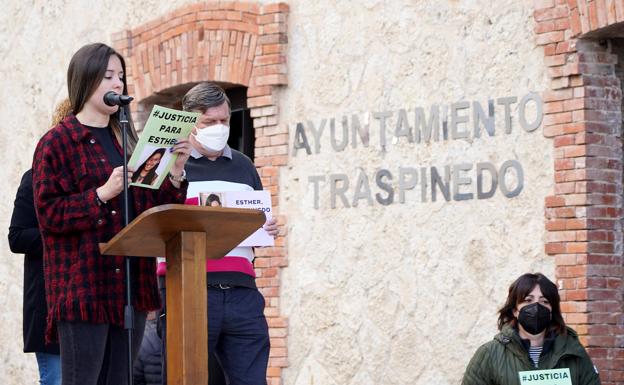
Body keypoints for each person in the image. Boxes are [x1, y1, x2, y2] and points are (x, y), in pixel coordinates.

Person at [32, 42, 191, 385]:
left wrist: (176, 170)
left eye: (120, 77)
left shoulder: (128, 141)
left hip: (130, 287)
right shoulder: (58, 142)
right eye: (107, 76)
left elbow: (150, 206)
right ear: (85, 80)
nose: (117, 84)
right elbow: (49, 214)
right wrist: (102, 194)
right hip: (83, 289)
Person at [157, 82, 278, 385]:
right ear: (190, 123)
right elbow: (153, 219)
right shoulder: (166, 162)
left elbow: (257, 221)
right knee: (187, 378)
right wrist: (176, 172)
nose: (220, 127)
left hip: (242, 291)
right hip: (187, 289)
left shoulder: (244, 165)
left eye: (224, 120)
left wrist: (264, 228)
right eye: (210, 122)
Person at [7, 99, 72, 385]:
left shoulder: (106, 179)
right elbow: (17, 236)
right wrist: (68, 230)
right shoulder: (34, 178)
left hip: (95, 307)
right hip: (50, 308)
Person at [462, 273, 601, 385]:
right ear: (515, 310)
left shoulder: (573, 352)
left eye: (544, 301)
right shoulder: (490, 354)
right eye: (528, 300)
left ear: (552, 310)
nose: (536, 307)